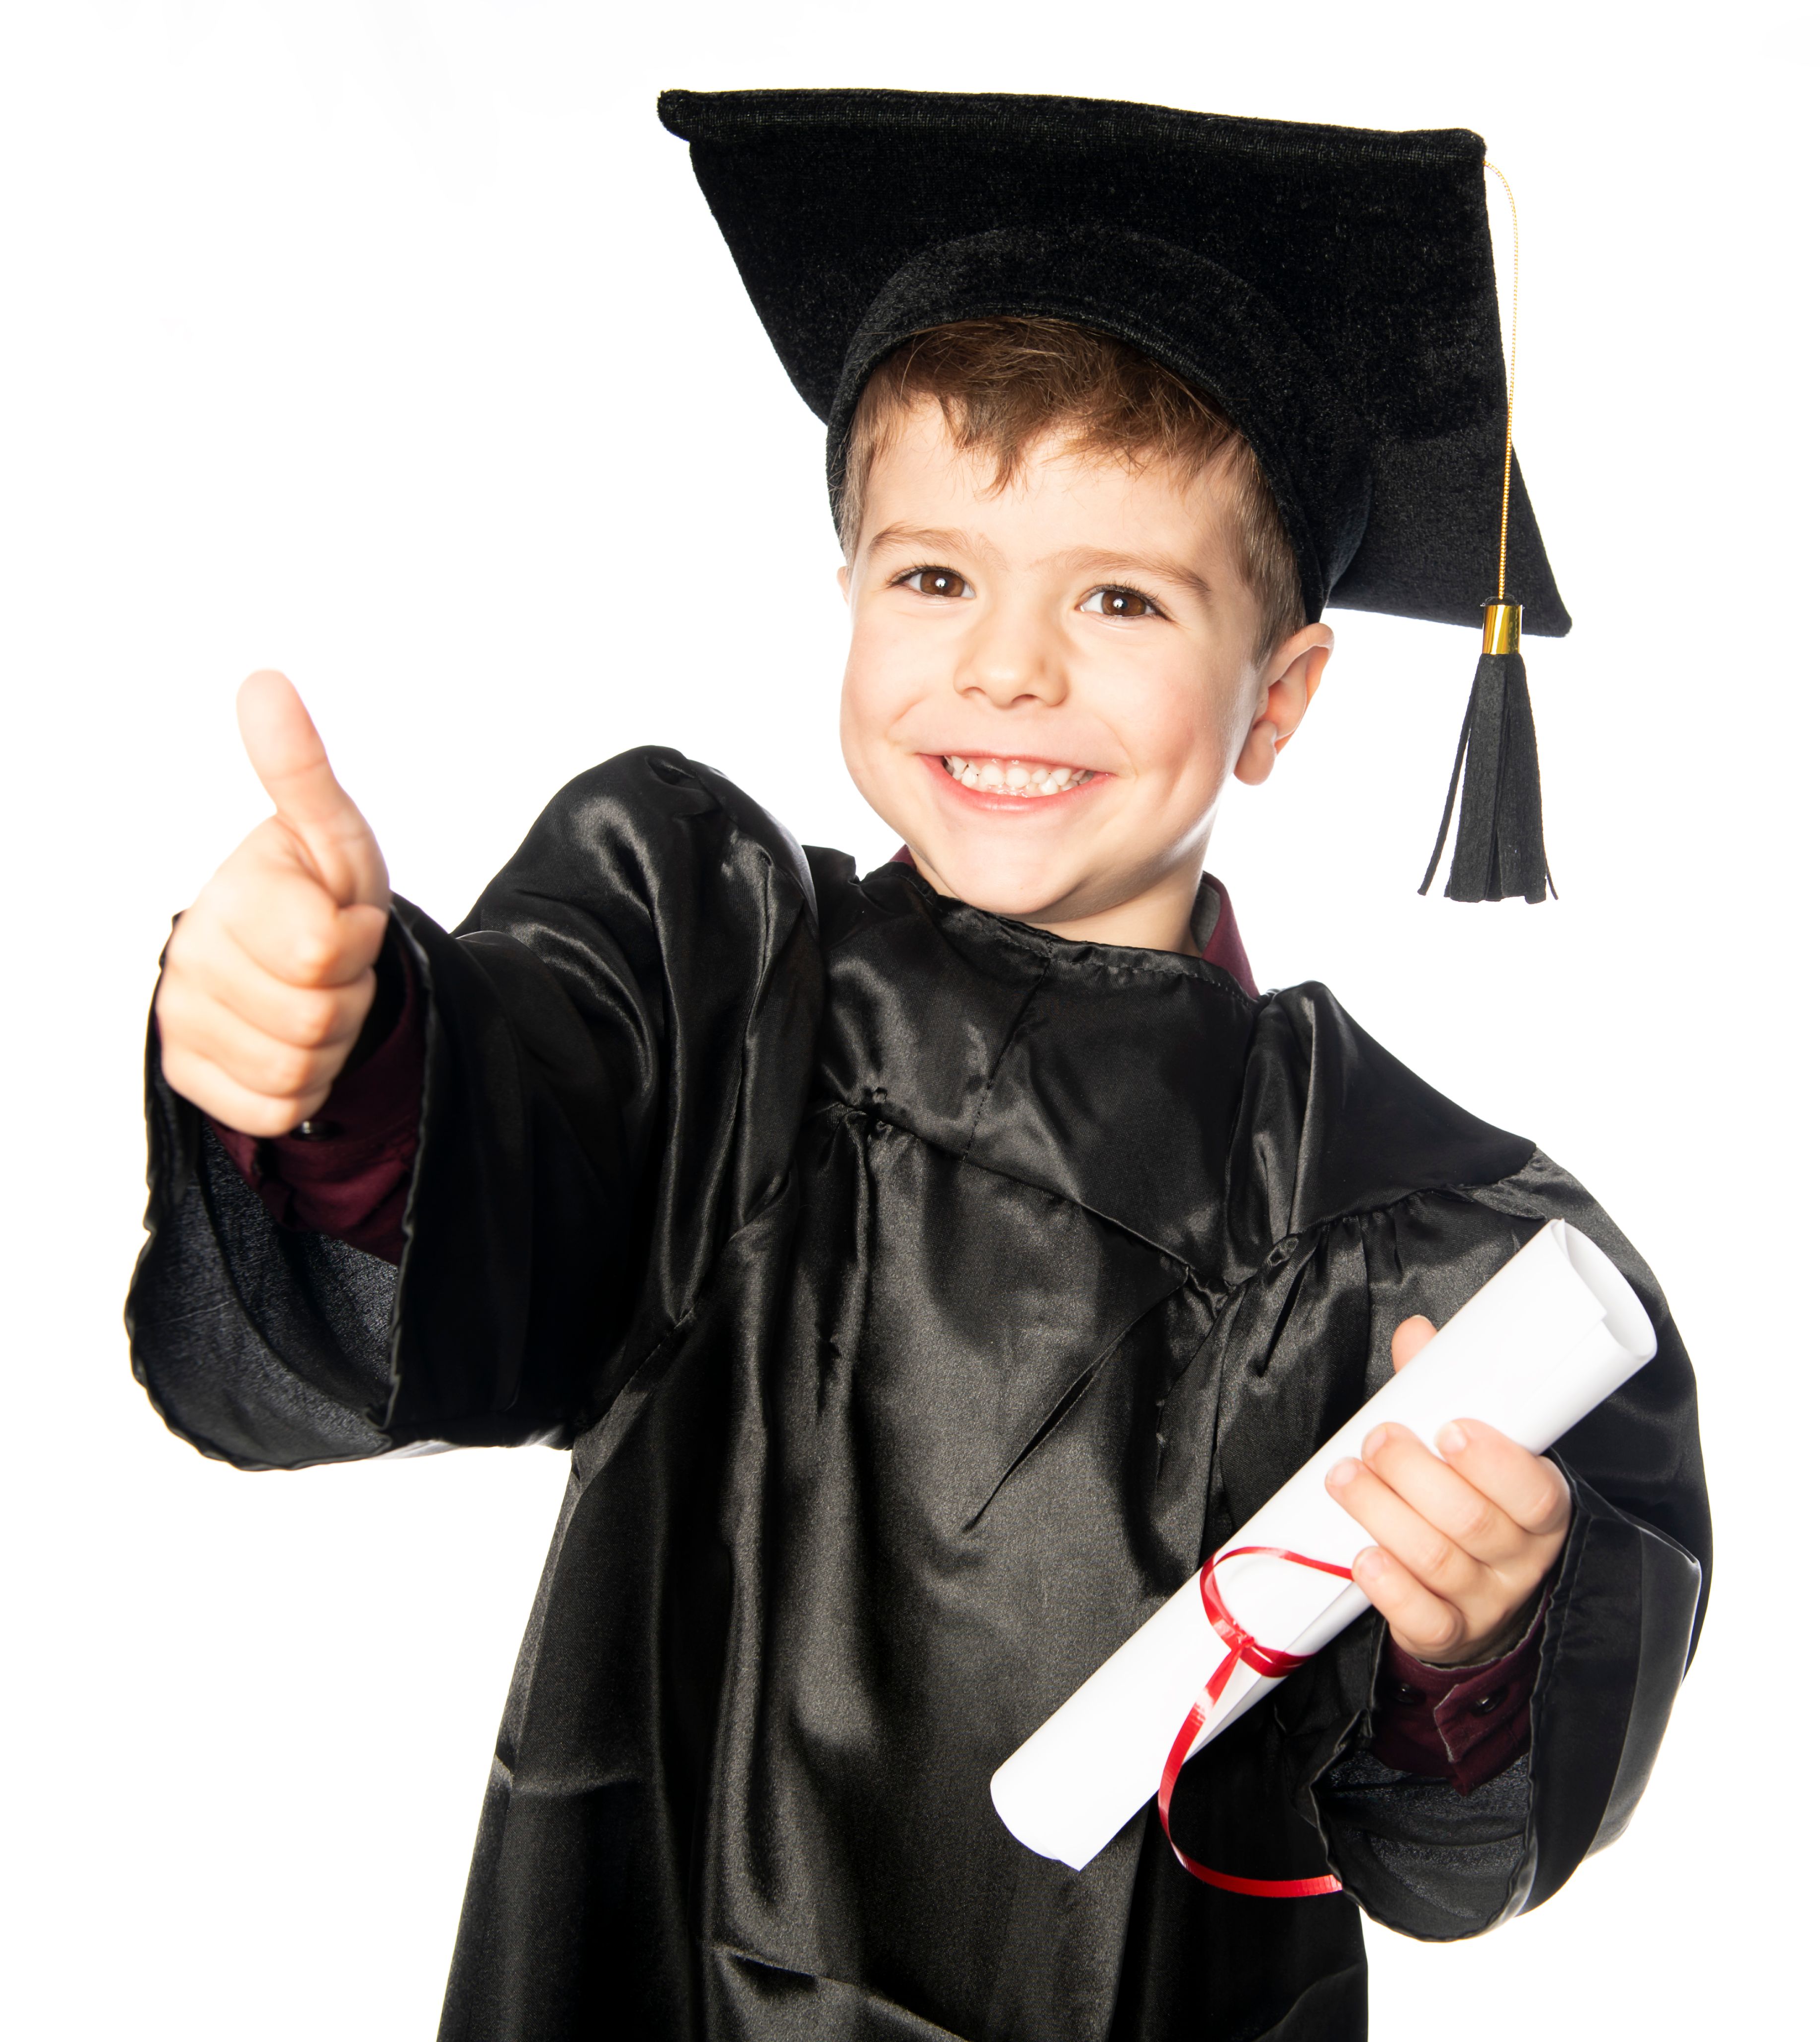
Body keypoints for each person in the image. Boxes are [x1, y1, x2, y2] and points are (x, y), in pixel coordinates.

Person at [130, 88, 1710, 2042]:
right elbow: (507, 1158)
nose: (1007, 667)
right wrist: (336, 1055)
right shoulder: (717, 987)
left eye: (1120, 598)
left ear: (1281, 699)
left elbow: (1453, 1850)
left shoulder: (1402, 1237)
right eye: (936, 577)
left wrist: (1475, 1630)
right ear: (850, 598)